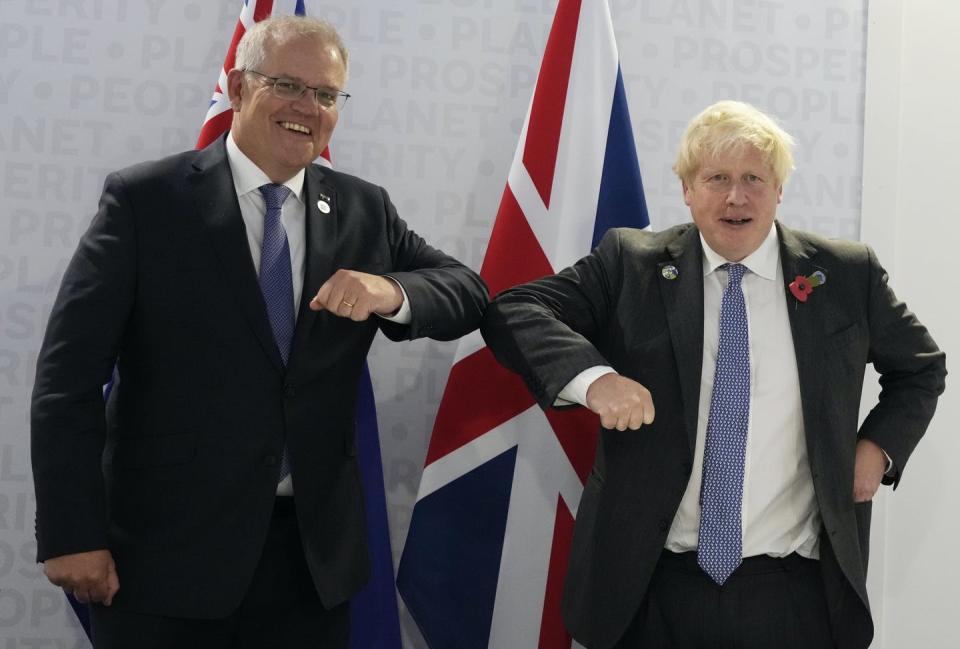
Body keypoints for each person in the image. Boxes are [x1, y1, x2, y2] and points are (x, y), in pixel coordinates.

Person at [30, 15, 487, 649]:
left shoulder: (363, 208)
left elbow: (468, 291)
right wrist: (71, 533)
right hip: (163, 565)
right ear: (241, 87)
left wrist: (390, 290)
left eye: (327, 95)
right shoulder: (146, 201)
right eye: (289, 86)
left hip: (310, 567)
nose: (309, 108)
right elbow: (66, 382)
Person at [480, 100, 945, 649]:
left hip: (795, 595)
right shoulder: (631, 263)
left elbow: (921, 368)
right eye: (717, 178)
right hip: (648, 588)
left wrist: (877, 450)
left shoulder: (843, 275)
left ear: (779, 190)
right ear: (686, 188)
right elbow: (513, 311)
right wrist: (593, 378)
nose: (735, 197)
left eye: (754, 178)